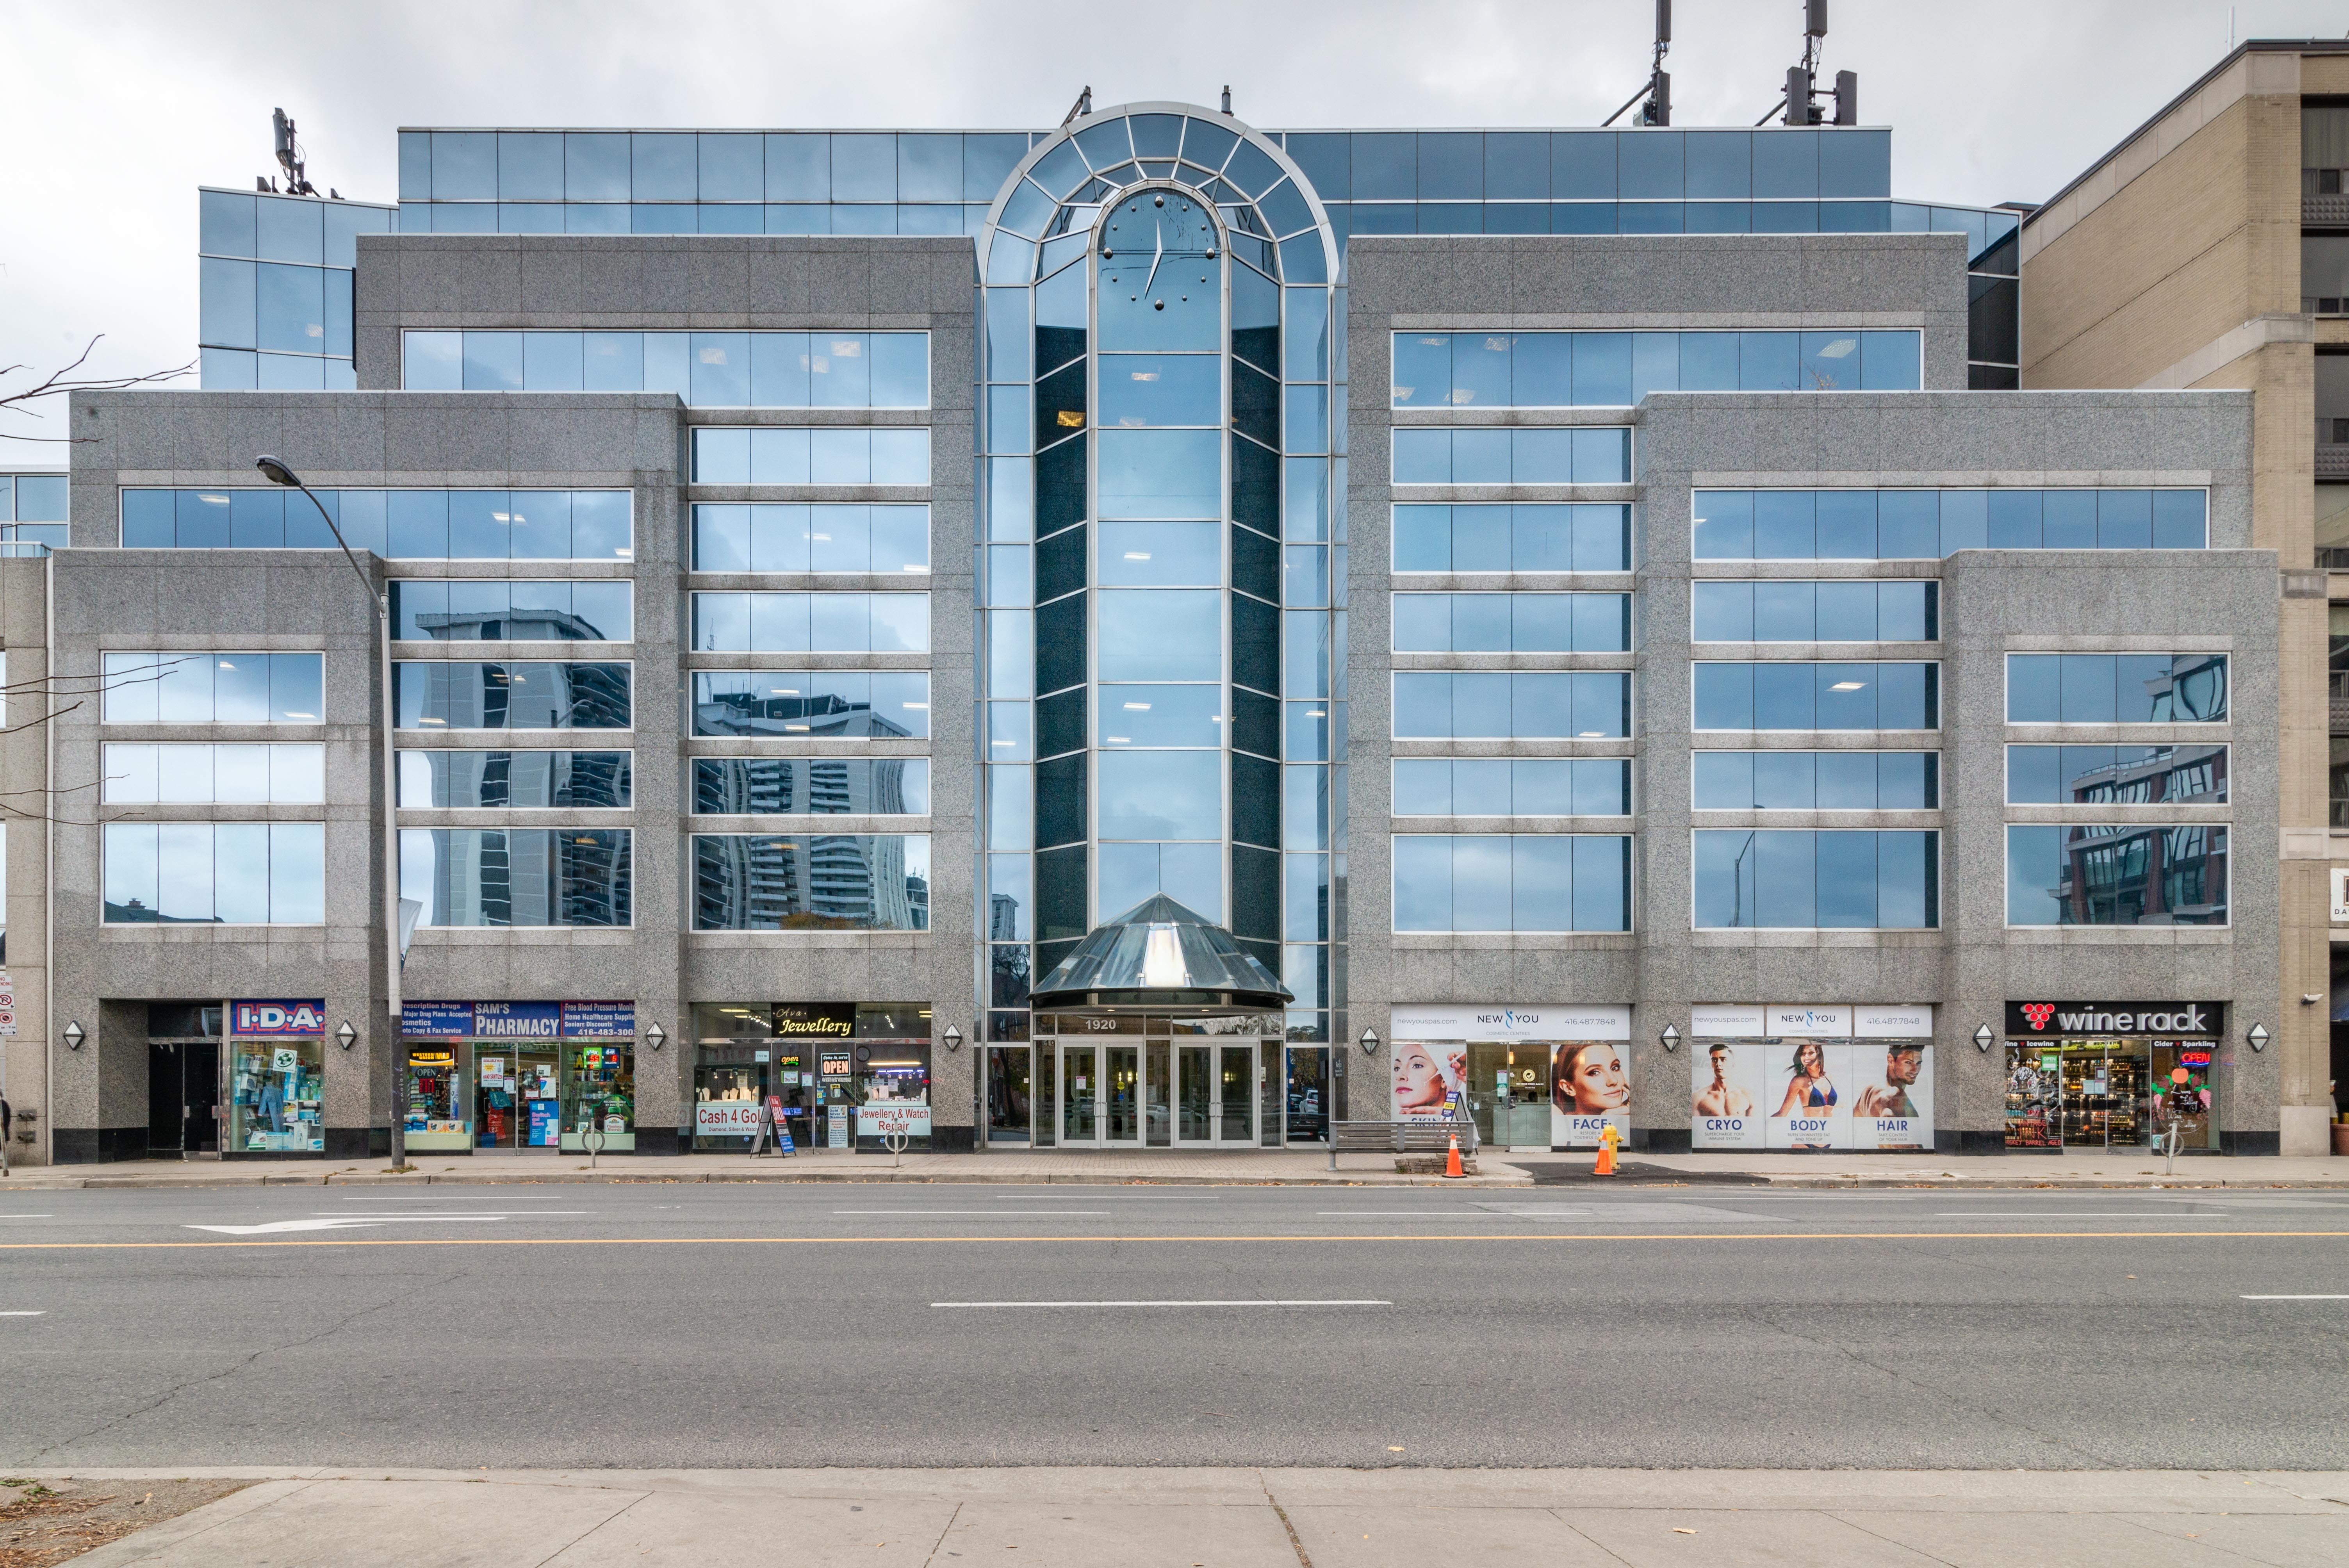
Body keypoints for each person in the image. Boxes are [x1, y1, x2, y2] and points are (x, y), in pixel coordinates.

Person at [1554, 1041, 1629, 1115]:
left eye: (1615, 1068)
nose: (1614, 1080)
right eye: (1595, 1073)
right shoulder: (1555, 1117)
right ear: (1568, 1088)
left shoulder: (1624, 1118)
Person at [1855, 1044, 1923, 1120]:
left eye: (1919, 1063)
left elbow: (1855, 1126)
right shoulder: (1895, 1098)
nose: (1915, 1070)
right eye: (1908, 1063)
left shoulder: (1869, 1092)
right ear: (1891, 1060)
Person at [1392, 1042, 1461, 1116]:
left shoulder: (1459, 1124)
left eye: (1417, 1066)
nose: (1399, 1076)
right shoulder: (1398, 1125)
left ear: (1444, 1081)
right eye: (1397, 1068)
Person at [1772, 1039, 1837, 1117]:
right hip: (1812, 1128)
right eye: (1803, 1053)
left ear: (1818, 1054)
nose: (1806, 1057)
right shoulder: (1799, 1081)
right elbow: (1782, 1113)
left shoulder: (1828, 1077)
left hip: (1832, 1128)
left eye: (1811, 1053)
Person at [1691, 1043, 1753, 1118]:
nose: (1718, 1064)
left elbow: (1752, 1127)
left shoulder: (1747, 1096)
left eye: (1723, 1060)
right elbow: (1697, 1129)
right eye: (1714, 1060)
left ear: (1733, 1065)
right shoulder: (1698, 1097)